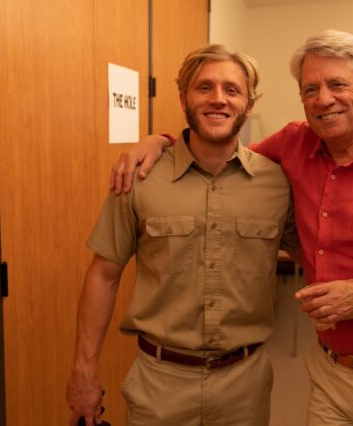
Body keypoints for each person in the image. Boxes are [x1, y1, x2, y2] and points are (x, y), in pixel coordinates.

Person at [110, 30, 353, 426]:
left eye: (337, 84)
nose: (324, 99)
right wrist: (161, 142)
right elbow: (221, 159)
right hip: (329, 375)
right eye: (311, 88)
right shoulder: (293, 144)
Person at [65, 44, 298, 426]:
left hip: (246, 385)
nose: (218, 99)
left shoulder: (276, 183)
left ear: (249, 104)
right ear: (183, 97)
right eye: (204, 87)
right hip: (159, 384)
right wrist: (83, 369)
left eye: (232, 90)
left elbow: (319, 255)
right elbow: (103, 276)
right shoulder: (139, 177)